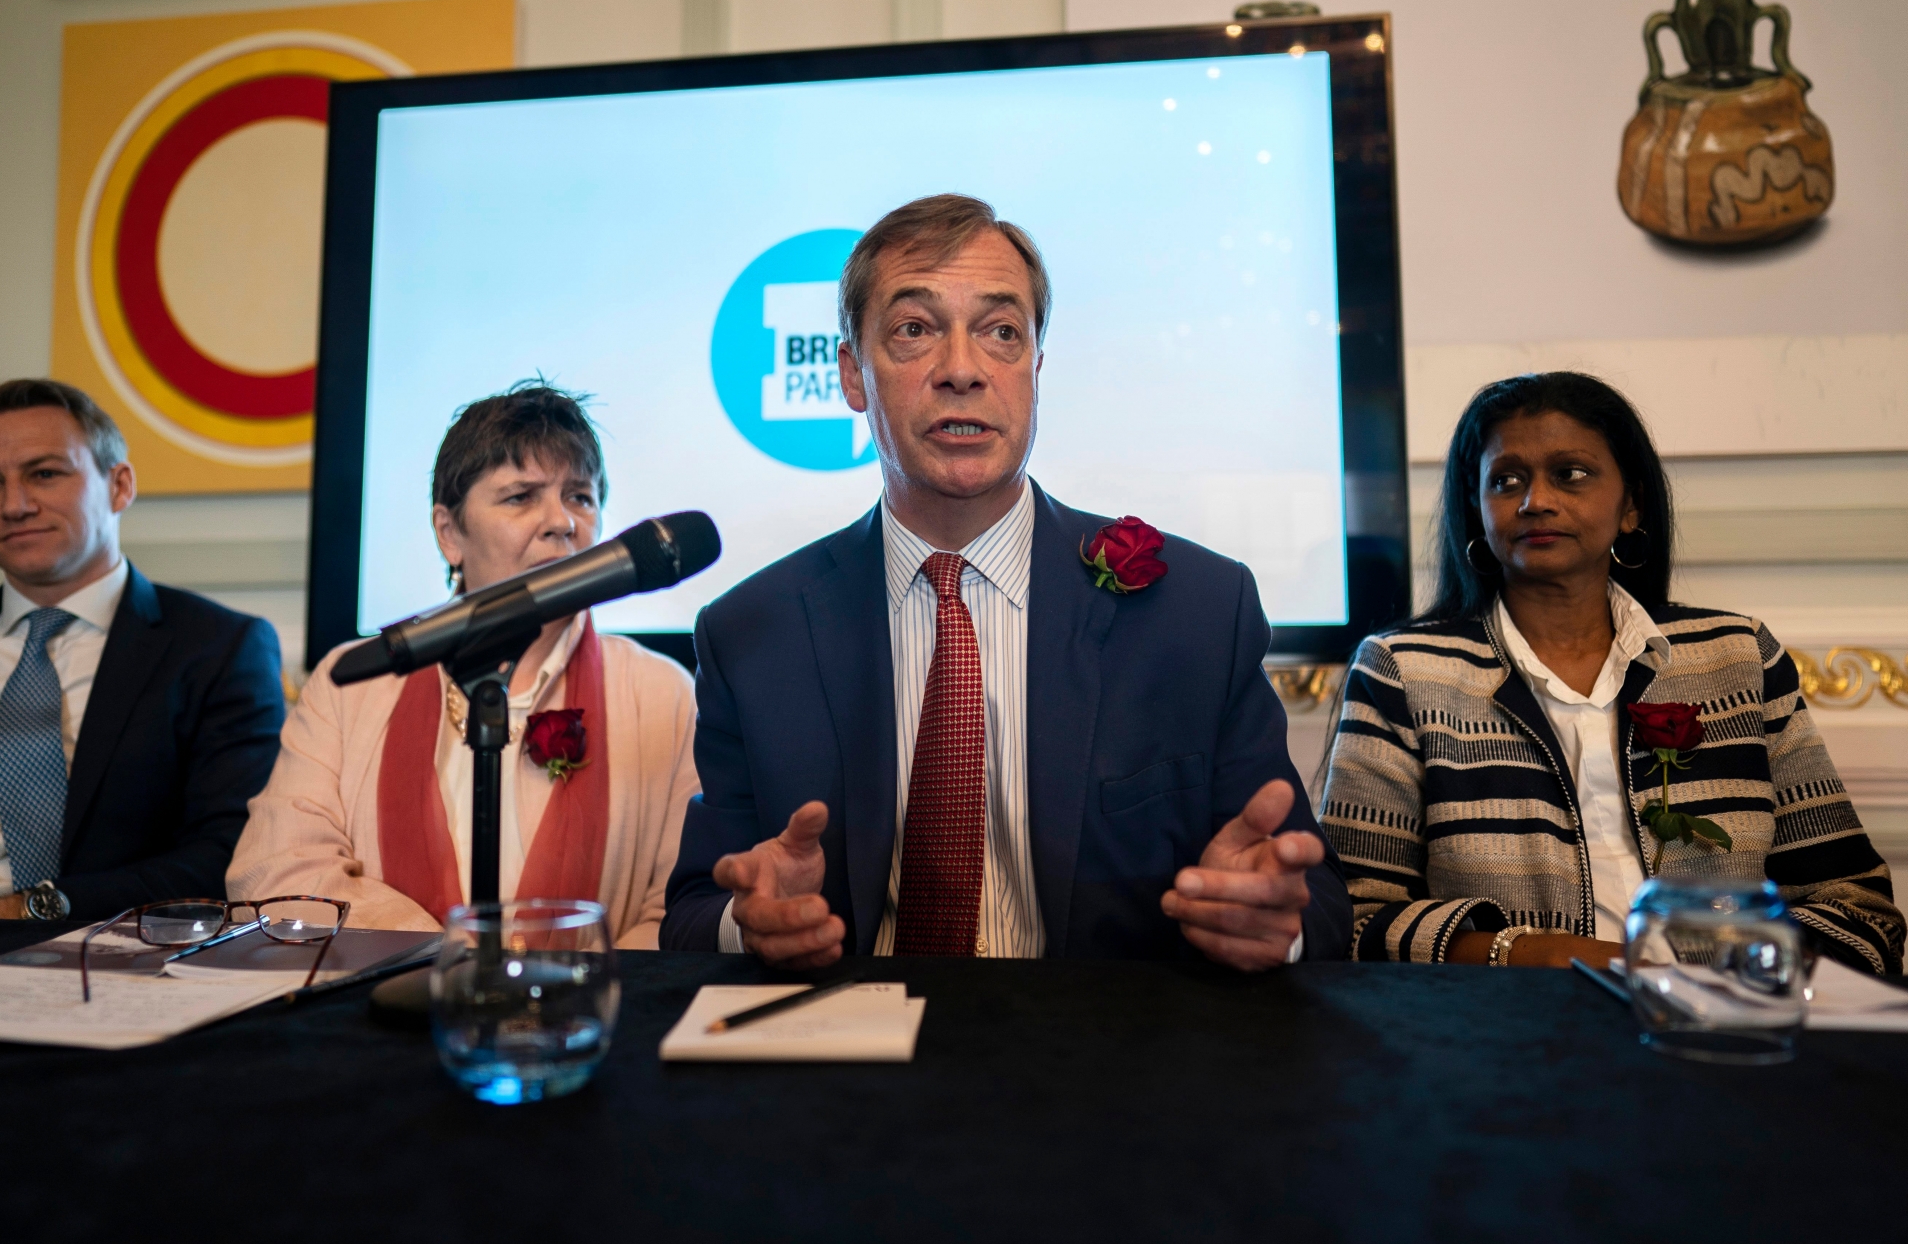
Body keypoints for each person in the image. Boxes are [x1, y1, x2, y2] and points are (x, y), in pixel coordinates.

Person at [663, 194, 1350, 968]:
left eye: (1001, 333)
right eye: (915, 330)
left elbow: (1319, 905)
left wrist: (1267, 921)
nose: (962, 370)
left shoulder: (1194, 610)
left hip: (1101, 1064)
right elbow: (691, 915)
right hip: (845, 1061)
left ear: (1034, 370)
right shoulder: (755, 633)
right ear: (853, 375)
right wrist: (748, 920)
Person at [1320, 371, 1903, 972]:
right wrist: (1536, 953)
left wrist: (1734, 977)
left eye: (1570, 474)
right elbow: (1351, 918)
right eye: (1506, 480)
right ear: (1477, 509)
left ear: (1632, 506)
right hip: (1511, 1040)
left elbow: (1855, 905)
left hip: (1725, 1032)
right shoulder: (1405, 672)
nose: (1535, 500)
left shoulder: (1739, 656)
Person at [228, 382, 697, 945]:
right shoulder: (350, 682)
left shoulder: (661, 692)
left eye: (581, 496)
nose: (562, 522)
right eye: (521, 496)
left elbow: (678, 905)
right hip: (385, 1018)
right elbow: (275, 874)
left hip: (591, 1021)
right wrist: (450, 964)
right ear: (450, 534)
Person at [0, 379, 285, 922]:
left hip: (81, 949)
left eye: (44, 474)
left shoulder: (218, 647)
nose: (14, 505)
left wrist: (19, 911)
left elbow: (227, 856)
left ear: (119, 485)